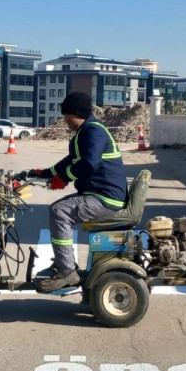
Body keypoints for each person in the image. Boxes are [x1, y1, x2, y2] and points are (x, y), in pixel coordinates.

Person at [30, 91, 127, 293]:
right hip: (97, 193)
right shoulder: (85, 132)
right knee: (59, 209)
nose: (64, 120)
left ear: (77, 113)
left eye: (67, 115)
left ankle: (66, 271)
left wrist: (64, 178)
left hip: (106, 198)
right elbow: (70, 161)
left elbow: (89, 163)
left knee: (60, 211)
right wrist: (44, 173)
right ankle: (64, 264)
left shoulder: (94, 132)